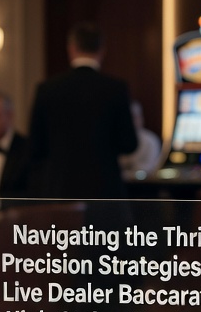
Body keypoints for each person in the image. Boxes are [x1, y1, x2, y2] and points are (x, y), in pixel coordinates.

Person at [29, 22, 138, 198]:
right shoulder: (116, 88)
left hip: (60, 190)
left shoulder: (47, 89)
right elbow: (129, 143)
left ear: (71, 48)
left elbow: (36, 147)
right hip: (104, 191)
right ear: (102, 50)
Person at [118, 101, 162, 177]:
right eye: (131, 117)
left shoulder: (150, 140)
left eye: (136, 117)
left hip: (143, 185)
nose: (134, 121)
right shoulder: (115, 139)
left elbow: (149, 169)